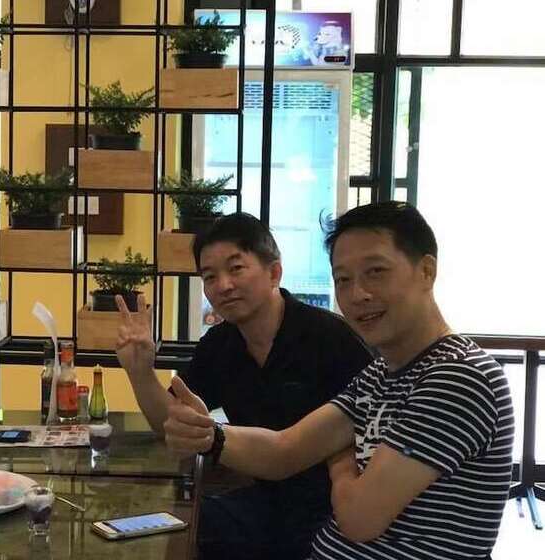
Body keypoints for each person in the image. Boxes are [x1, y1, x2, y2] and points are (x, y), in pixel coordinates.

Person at [164, 201, 514, 559]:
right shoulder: (380, 374)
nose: (358, 294)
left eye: (376, 272)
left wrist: (340, 455)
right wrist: (210, 435)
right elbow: (284, 450)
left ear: (426, 271)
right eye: (343, 279)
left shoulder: (458, 376)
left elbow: (360, 518)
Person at [115, 212, 372, 559]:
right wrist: (140, 372)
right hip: (265, 501)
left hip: (333, 511)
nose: (223, 285)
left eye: (236, 268)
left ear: (274, 272)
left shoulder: (330, 338)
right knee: (173, 528)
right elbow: (172, 426)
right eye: (210, 276)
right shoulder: (219, 345)